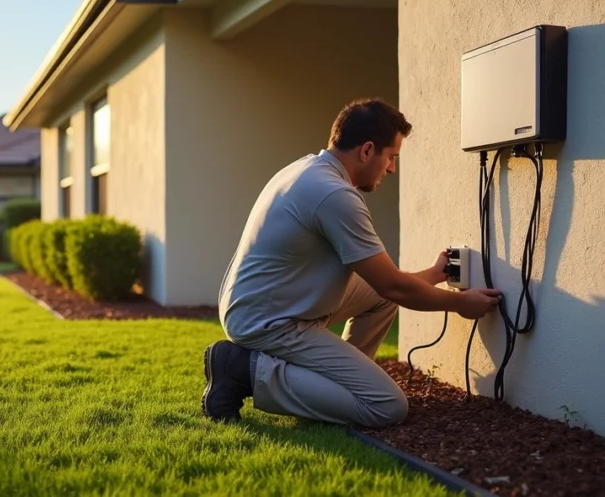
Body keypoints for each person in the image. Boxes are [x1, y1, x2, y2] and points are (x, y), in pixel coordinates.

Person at [202, 98, 501, 427]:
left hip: (265, 304)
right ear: (367, 150)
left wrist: (433, 274)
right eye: (391, 157)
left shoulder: (307, 170)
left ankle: (336, 391)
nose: (391, 169)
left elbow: (384, 284)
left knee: (383, 299)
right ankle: (241, 369)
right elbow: (392, 285)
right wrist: (459, 303)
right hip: (268, 322)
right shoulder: (334, 195)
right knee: (386, 406)